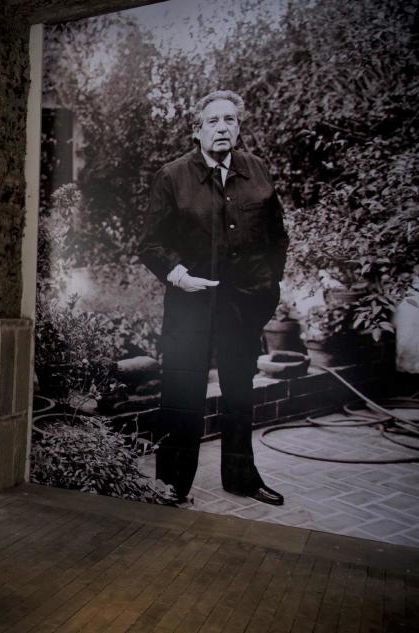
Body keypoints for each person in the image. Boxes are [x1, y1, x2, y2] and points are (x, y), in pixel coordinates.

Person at [138, 90, 289, 506]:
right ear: (197, 130)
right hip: (190, 306)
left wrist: (267, 287)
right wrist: (179, 275)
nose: (222, 128)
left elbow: (277, 239)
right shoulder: (172, 176)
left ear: (238, 128)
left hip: (242, 305)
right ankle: (172, 484)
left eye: (230, 121)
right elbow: (150, 243)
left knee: (240, 393)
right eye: (213, 121)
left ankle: (242, 478)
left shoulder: (257, 171)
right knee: (183, 394)